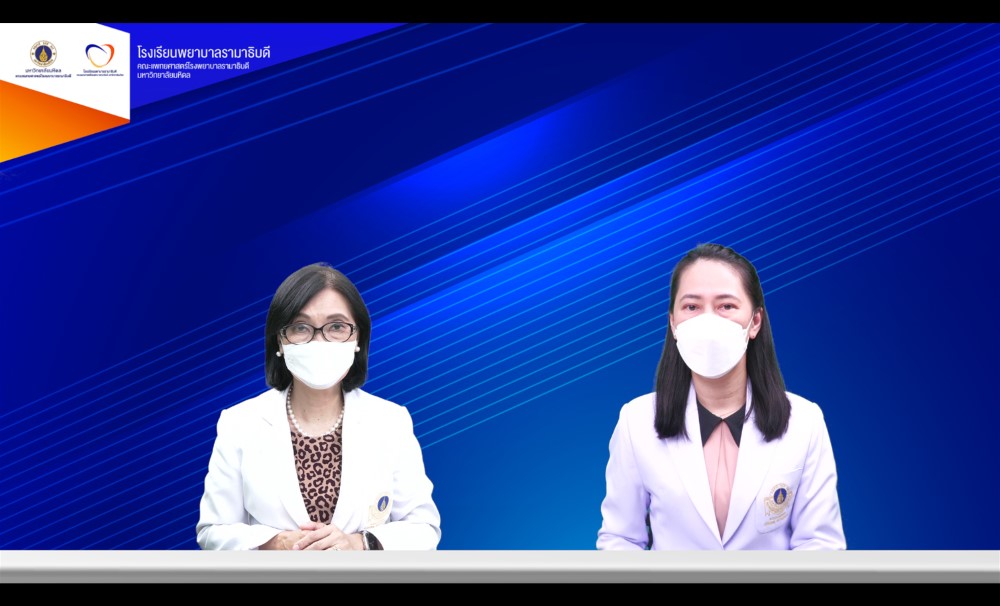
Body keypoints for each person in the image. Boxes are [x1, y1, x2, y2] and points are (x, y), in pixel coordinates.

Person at [597, 243, 845, 550]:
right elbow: (620, 539)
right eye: (692, 307)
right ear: (673, 323)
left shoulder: (804, 422)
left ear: (755, 322)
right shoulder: (636, 422)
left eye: (726, 306)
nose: (708, 322)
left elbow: (820, 544)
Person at [197, 263, 441, 550]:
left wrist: (358, 544)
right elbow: (212, 532)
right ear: (280, 341)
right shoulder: (240, 424)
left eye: (336, 326)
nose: (319, 341)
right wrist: (278, 543)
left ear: (358, 338)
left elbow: (424, 529)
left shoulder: (391, 421)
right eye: (300, 327)